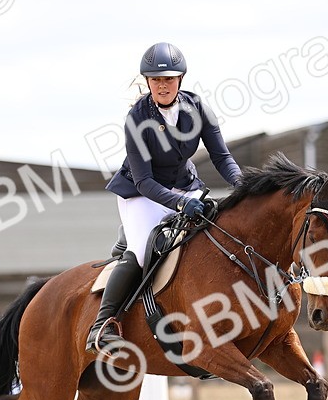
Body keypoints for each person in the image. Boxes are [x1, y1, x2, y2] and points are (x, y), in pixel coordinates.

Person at [86, 42, 243, 355]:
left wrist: (243, 184)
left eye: (169, 79)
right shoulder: (137, 119)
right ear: (147, 81)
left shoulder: (198, 109)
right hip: (141, 194)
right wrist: (181, 203)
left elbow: (221, 157)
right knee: (140, 253)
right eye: (156, 80)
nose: (162, 85)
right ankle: (102, 326)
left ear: (180, 79)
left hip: (185, 185)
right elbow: (144, 181)